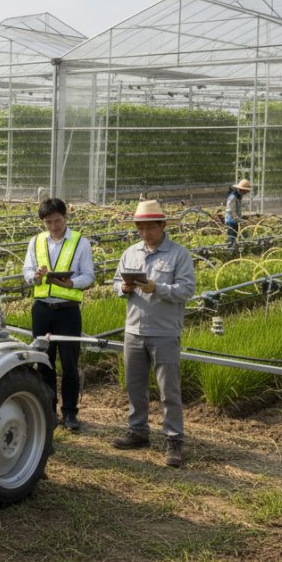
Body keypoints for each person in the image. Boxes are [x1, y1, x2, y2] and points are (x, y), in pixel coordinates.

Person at [112, 200, 195, 468]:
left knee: (168, 389)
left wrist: (156, 287)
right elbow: (115, 284)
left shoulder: (178, 255)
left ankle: (173, 439)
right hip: (134, 330)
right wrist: (123, 288)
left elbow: (186, 290)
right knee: (134, 385)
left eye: (150, 227)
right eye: (140, 228)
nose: (145, 233)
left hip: (164, 331)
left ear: (162, 226)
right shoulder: (130, 253)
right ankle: (138, 431)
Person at [22, 198, 95, 432]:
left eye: (57, 220)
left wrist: (71, 283)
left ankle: (70, 413)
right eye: (48, 222)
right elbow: (26, 271)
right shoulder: (36, 241)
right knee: (44, 363)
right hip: (42, 308)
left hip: (67, 311)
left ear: (66, 217)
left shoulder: (80, 242)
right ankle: (48, 410)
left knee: (70, 364)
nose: (53, 226)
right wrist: (34, 275)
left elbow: (89, 276)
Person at [224, 179, 252, 250]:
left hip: (236, 221)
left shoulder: (239, 196)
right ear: (241, 189)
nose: (246, 192)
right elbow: (233, 214)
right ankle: (228, 252)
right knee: (232, 238)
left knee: (237, 237)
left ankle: (234, 251)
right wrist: (242, 221)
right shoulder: (233, 197)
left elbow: (238, 210)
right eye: (245, 191)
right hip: (231, 221)